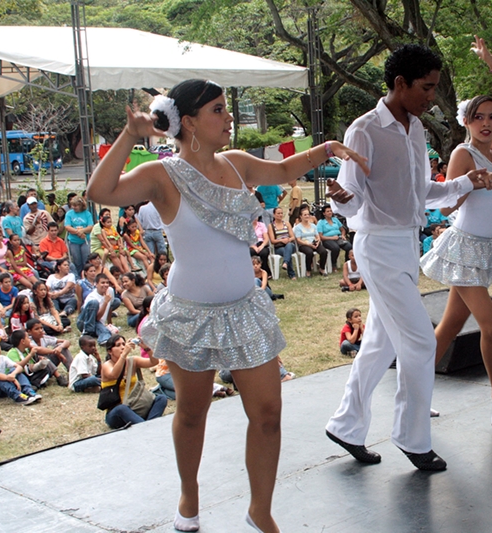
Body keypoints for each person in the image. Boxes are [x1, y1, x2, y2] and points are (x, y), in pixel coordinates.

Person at [88, 78, 366, 533]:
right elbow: (101, 191)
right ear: (189, 121)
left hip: (244, 310)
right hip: (189, 315)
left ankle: (260, 511)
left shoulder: (237, 163)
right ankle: (189, 493)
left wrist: (328, 148)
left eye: (226, 108)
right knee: (192, 412)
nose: (229, 116)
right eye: (218, 109)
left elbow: (284, 168)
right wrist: (130, 134)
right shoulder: (162, 174)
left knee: (268, 413)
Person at [324, 43, 489, 473]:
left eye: (434, 88)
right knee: (419, 341)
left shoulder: (415, 128)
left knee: (380, 344)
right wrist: (341, 198)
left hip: (405, 245)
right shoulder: (364, 130)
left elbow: (421, 192)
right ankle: (413, 438)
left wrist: (465, 183)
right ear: (400, 83)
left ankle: (345, 425)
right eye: (426, 87)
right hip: (377, 246)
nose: (431, 97)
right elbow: (351, 193)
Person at [419, 37, 492, 432]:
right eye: (479, 117)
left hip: (483, 248)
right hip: (461, 247)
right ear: (466, 122)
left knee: (448, 328)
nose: (487, 123)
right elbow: (446, 206)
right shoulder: (464, 153)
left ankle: (414, 395)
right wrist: (472, 183)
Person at [99, 334, 167, 429]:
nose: (122, 347)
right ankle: (147, 427)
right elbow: (114, 375)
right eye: (118, 345)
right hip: (118, 413)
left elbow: (154, 362)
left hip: (136, 407)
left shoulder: (132, 361)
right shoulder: (107, 365)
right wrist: (123, 355)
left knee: (161, 399)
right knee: (121, 409)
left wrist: (146, 348)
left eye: (123, 344)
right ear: (110, 351)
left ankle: (145, 425)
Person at [0, 334, 41, 405]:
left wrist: (13, 374)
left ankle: (29, 392)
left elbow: (19, 367)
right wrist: (11, 379)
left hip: (2, 387)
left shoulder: (3, 358)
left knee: (14, 370)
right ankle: (18, 396)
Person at [75, 274, 118, 345]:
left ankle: (103, 340)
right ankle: (87, 333)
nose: (105, 285)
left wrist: (109, 323)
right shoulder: (92, 297)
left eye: (107, 283)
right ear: (96, 284)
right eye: (102, 283)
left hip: (97, 322)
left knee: (105, 331)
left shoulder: (110, 291)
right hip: (85, 321)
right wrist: (105, 302)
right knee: (94, 303)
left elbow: (110, 307)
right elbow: (96, 318)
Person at [292, 205, 328, 276]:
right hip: (304, 244)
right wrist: (309, 244)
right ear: (301, 216)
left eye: (308, 214)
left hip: (314, 242)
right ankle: (308, 270)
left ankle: (322, 268)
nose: (307, 216)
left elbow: (317, 237)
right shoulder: (298, 227)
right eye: (305, 215)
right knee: (309, 253)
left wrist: (317, 242)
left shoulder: (313, 226)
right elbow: (298, 240)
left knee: (324, 251)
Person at [317, 205, 352, 272]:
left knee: (349, 246)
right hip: (327, 239)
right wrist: (332, 238)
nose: (330, 212)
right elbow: (321, 236)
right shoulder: (321, 222)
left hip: (338, 238)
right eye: (328, 211)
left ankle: (347, 264)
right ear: (324, 213)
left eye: (331, 211)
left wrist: (343, 235)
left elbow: (342, 230)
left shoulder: (335, 219)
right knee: (335, 248)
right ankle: (333, 265)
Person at [64, 197, 94, 276]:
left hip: (85, 241)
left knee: (86, 260)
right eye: (72, 205)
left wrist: (82, 231)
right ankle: (78, 276)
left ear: (81, 205)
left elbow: (90, 226)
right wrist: (78, 232)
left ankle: (86, 275)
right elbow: (67, 227)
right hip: (74, 241)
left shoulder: (87, 214)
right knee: (77, 261)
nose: (74, 207)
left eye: (76, 205)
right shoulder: (69, 214)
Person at [267, 207, 297, 280]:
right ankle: (291, 274)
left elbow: (293, 237)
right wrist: (281, 240)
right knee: (286, 252)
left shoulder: (287, 223)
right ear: (274, 215)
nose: (280, 215)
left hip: (289, 244)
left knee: (289, 246)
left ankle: (285, 263)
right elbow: (272, 240)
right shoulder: (271, 226)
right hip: (279, 246)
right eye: (278, 213)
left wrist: (288, 239)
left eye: (281, 213)